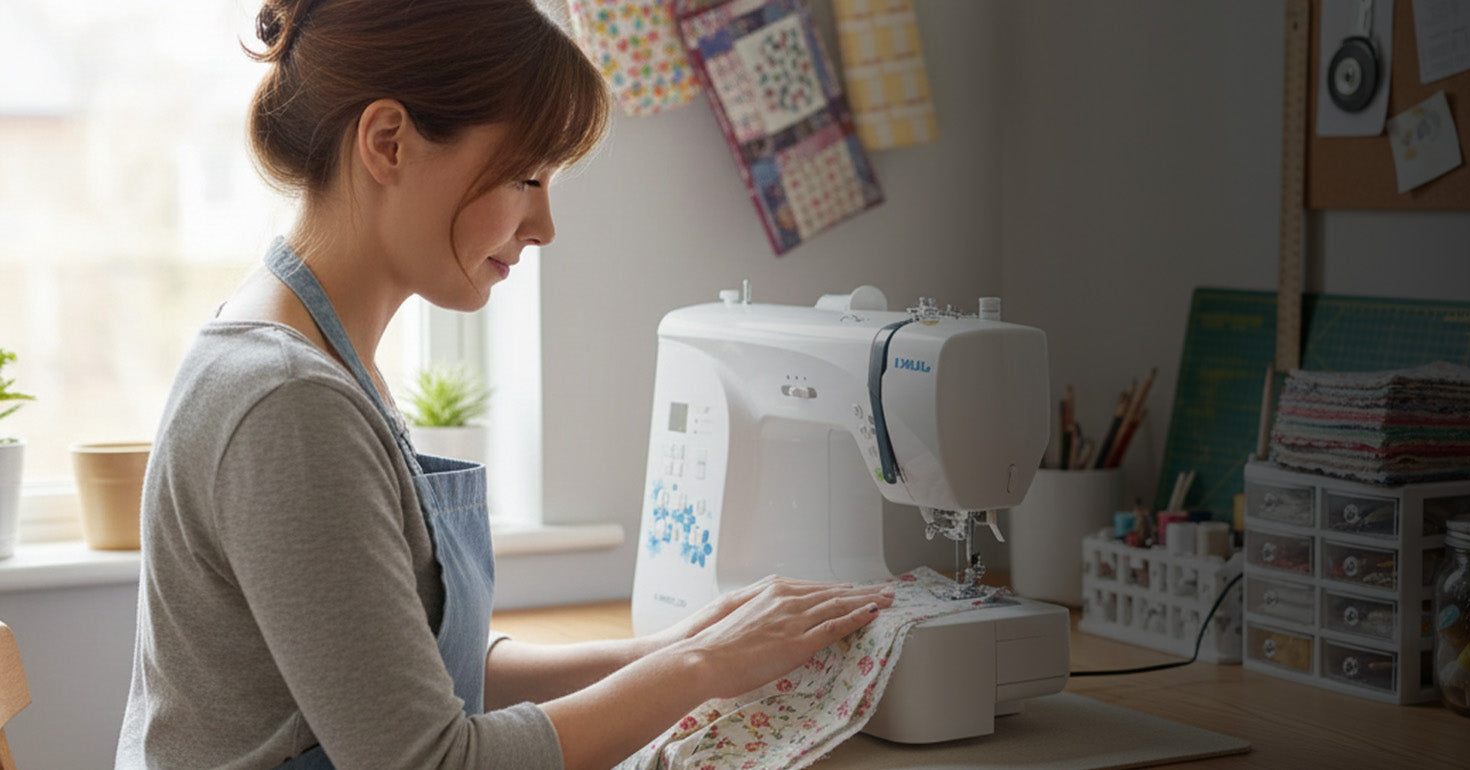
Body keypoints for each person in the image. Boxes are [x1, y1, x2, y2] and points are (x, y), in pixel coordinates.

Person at [114, 1, 895, 767]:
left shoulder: (315, 357)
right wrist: (701, 670)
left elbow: (408, 676)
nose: (545, 226)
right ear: (388, 143)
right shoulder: (289, 401)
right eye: (526, 177)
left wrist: (675, 645)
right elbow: (429, 759)